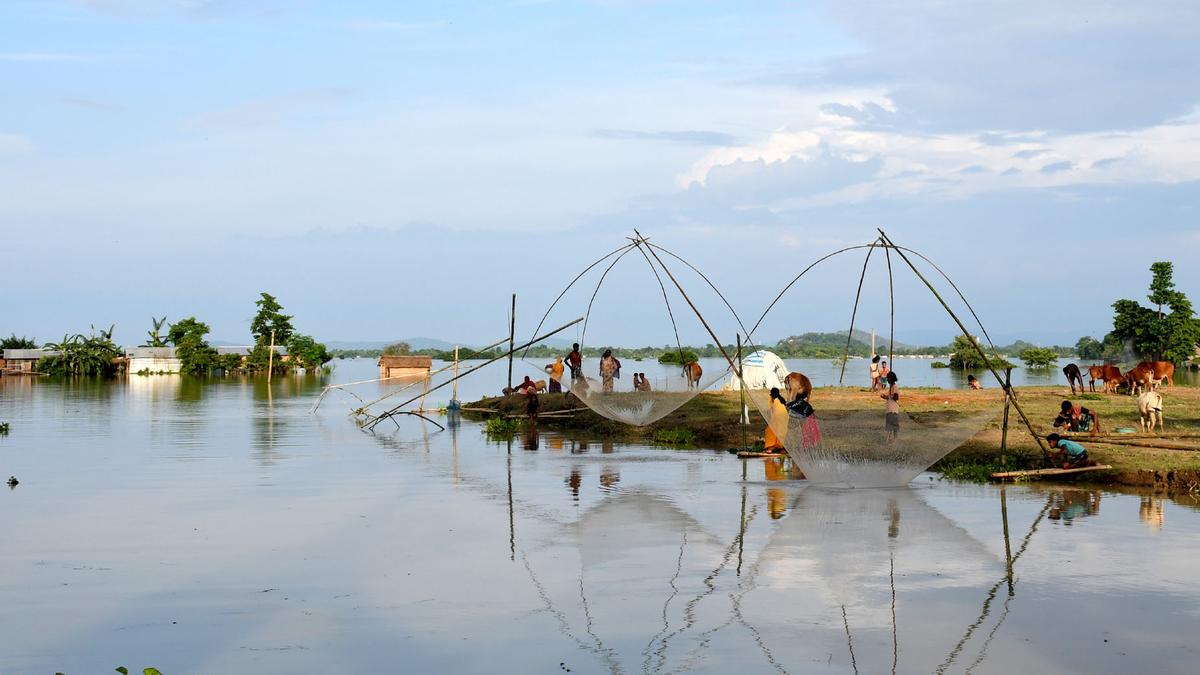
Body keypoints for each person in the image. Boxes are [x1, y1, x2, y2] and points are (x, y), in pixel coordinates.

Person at [764, 387, 789, 452]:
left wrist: (769, 421)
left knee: (770, 431)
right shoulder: (781, 399)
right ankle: (781, 448)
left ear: (772, 394)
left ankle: (771, 447)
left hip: (778, 416)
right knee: (781, 432)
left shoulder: (773, 400)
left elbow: (770, 411)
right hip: (785, 417)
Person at [880, 370, 900, 443]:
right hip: (889, 410)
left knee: (892, 427)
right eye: (887, 378)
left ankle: (892, 441)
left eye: (888, 378)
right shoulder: (891, 387)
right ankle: (890, 440)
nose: (887, 379)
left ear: (892, 379)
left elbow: (896, 397)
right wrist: (885, 397)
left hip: (893, 410)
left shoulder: (894, 387)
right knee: (890, 426)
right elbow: (890, 397)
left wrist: (890, 396)